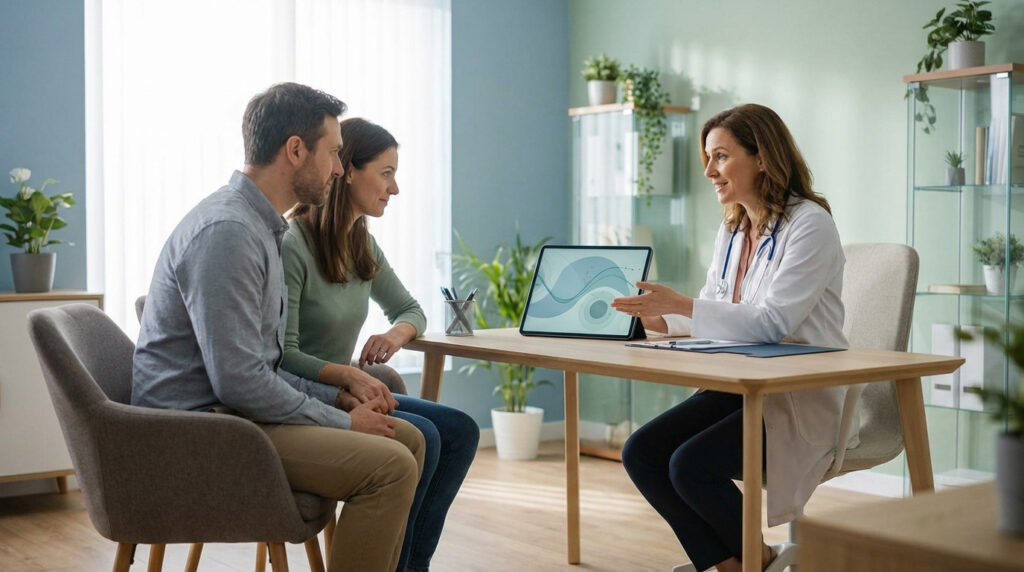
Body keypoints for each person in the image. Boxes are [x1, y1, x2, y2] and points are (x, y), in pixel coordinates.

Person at [132, 83, 424, 572]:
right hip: (198, 433)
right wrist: (343, 419)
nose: (338, 168)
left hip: (233, 414)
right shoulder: (228, 233)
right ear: (295, 150)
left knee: (407, 438)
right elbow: (240, 381)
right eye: (333, 153)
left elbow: (262, 364)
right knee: (391, 466)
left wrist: (336, 397)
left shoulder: (262, 228)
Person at [609, 103, 848, 572]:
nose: (708, 171)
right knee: (642, 453)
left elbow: (771, 323)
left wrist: (680, 306)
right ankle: (745, 565)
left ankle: (745, 566)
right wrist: (656, 320)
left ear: (762, 157)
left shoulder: (809, 225)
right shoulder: (734, 227)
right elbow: (713, 309)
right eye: (707, 158)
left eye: (720, 156)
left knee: (689, 466)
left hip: (793, 394)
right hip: (739, 386)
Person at [281, 117, 479, 572]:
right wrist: (347, 378)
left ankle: (411, 567)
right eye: (386, 173)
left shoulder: (360, 242)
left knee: (461, 431)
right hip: (308, 398)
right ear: (348, 170)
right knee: (426, 435)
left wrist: (394, 335)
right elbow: (284, 354)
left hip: (347, 389)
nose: (394, 188)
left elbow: (412, 310)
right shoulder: (293, 246)